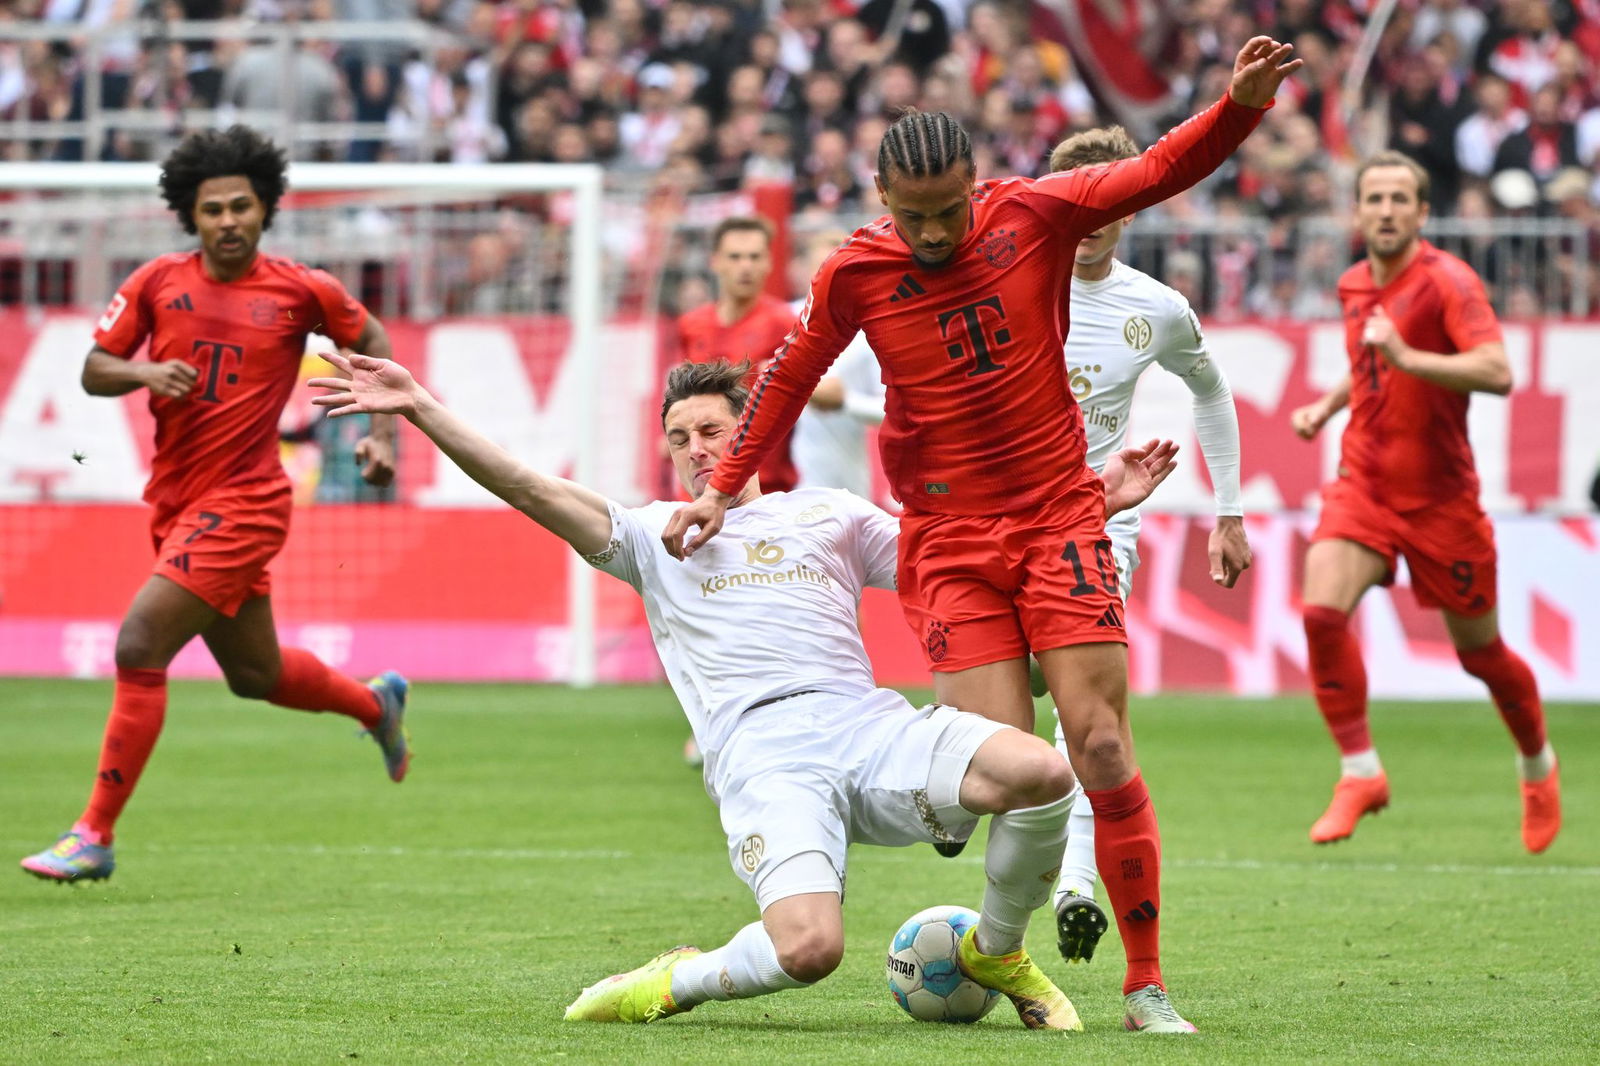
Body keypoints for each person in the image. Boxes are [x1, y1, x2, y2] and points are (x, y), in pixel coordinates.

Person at [661, 36, 1302, 1032]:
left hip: (1056, 514)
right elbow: (785, 377)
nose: (930, 232)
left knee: (1095, 740)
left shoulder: (1032, 214)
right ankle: (996, 935)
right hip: (948, 538)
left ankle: (1140, 983)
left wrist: (1240, 107)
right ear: (879, 194)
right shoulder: (852, 271)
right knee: (1002, 774)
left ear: (975, 182)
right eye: (910, 215)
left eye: (947, 211)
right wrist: (722, 486)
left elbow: (1157, 169)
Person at [310, 351, 1178, 1030]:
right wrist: (420, 407)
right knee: (810, 951)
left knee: (1041, 773)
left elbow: (959, 546)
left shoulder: (827, 515)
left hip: (867, 727)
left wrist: (1098, 500)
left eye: (715, 431)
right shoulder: (649, 537)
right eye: (680, 437)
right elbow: (529, 487)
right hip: (765, 759)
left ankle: (996, 950)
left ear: (754, 433)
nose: (697, 450)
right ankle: (675, 980)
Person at [19, 126, 411, 885]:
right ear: (189, 217)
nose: (227, 221)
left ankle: (92, 835)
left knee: (139, 644)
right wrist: (144, 374)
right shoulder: (157, 282)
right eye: (212, 210)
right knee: (255, 675)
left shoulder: (303, 289)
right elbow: (94, 368)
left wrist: (384, 434)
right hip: (176, 502)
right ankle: (374, 705)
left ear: (265, 210)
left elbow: (373, 340)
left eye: (241, 207)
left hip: (249, 501)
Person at [1289, 150, 1560, 853]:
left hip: (1442, 501)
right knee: (1320, 611)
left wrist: (1410, 357)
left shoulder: (1448, 282)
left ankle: (1537, 765)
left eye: (1398, 200)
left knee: (1481, 655)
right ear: (1357, 211)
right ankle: (1360, 772)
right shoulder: (1354, 285)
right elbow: (1369, 363)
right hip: (1365, 484)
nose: (1384, 210)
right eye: (1373, 198)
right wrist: (1326, 406)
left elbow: (1497, 371)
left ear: (1421, 212)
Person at [1039, 125, 1252, 964]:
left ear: (1131, 203)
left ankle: (1074, 885)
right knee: (1001, 696)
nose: (1093, 215)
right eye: (1078, 196)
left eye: (1110, 196)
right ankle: (948, 798)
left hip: (1100, 521)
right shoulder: (1011, 283)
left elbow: (1212, 390)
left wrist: (1228, 511)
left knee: (1085, 717)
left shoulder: (1153, 307)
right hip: (1003, 522)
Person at [668, 217, 800, 496]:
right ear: (715, 261)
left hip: (762, 487)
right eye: (735, 257)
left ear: (769, 262)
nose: (746, 266)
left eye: (754, 257)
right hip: (699, 484)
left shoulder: (784, 324)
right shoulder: (691, 325)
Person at [790, 229, 886, 500]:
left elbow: (892, 408)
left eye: (838, 268)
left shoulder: (871, 333)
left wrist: (845, 402)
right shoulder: (781, 319)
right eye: (821, 267)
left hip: (847, 486)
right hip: (785, 484)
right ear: (806, 271)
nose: (829, 278)